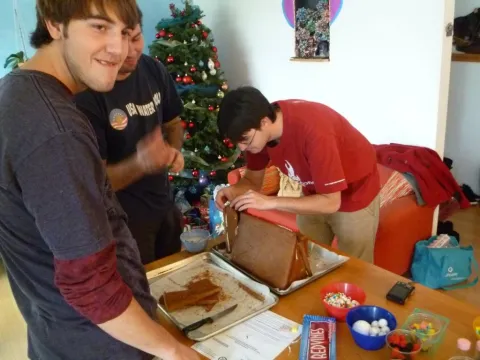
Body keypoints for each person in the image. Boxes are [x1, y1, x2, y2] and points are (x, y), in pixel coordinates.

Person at [0, 1, 198, 359]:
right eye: (98, 27)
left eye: (124, 32)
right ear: (54, 24)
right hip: (99, 344)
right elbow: (90, 284)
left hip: (58, 332)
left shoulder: (19, 94)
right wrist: (173, 351)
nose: (119, 49)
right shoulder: (57, 131)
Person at [215, 86, 380, 262]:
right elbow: (252, 180)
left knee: (355, 268)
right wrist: (234, 190)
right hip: (314, 192)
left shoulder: (315, 132)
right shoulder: (257, 132)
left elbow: (331, 202)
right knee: (308, 259)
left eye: (245, 140)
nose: (242, 148)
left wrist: (270, 202)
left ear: (264, 122)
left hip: (353, 193)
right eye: (237, 142)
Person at [75, 7, 184, 265]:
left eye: (136, 38)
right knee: (142, 292)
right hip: (124, 221)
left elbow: (174, 122)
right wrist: (140, 163)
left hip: (164, 204)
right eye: (123, 39)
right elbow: (95, 183)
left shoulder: (153, 70)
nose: (132, 50)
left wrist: (174, 151)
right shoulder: (88, 94)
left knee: (176, 281)